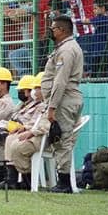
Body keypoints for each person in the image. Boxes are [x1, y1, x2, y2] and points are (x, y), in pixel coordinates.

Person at [41, 15, 84, 193]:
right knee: (61, 139)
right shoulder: (65, 47)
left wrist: (52, 107)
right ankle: (63, 179)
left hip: (64, 100)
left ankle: (64, 182)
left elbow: (60, 81)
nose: (51, 31)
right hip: (65, 100)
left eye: (54, 28)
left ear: (62, 30)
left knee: (63, 139)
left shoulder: (66, 50)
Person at [2, 74, 50, 188]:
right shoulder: (42, 104)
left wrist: (29, 131)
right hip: (35, 133)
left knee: (17, 145)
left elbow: (44, 124)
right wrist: (25, 128)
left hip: (43, 138)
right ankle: (12, 179)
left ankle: (27, 180)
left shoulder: (47, 105)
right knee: (10, 139)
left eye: (36, 88)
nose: (34, 91)